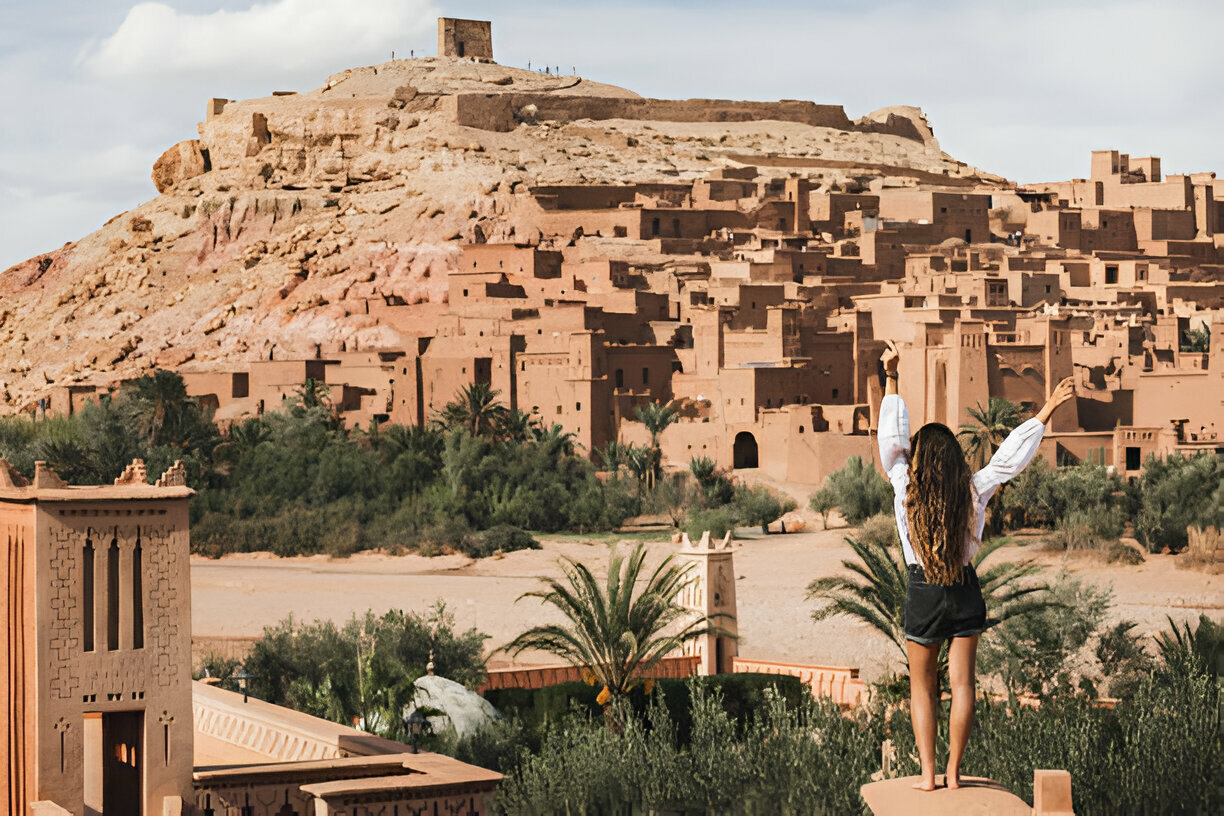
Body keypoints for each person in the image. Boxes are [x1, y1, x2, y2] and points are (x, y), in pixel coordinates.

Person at [877, 340, 1075, 791]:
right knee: (963, 685)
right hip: (965, 589)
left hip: (923, 592)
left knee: (923, 687)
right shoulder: (973, 488)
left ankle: (928, 776)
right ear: (953, 459)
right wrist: (1046, 409)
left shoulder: (905, 487)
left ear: (918, 459)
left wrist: (891, 376)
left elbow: (891, 443)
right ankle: (953, 773)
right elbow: (1008, 460)